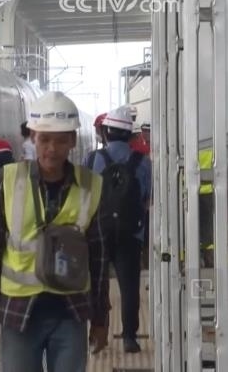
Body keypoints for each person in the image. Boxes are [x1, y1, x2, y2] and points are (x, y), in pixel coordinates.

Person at [0, 91, 110, 371]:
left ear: (73, 141)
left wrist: (101, 319)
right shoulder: (6, 180)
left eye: (61, 140)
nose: (52, 149)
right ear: (32, 138)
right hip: (19, 313)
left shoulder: (91, 185)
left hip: (71, 312)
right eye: (44, 139)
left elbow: (99, 257)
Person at [83, 105, 151, 354]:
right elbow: (146, 198)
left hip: (98, 231)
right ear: (130, 135)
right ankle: (130, 337)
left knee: (97, 284)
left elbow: (84, 195)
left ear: (107, 132)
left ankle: (97, 335)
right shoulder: (143, 162)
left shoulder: (92, 159)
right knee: (129, 285)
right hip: (131, 233)